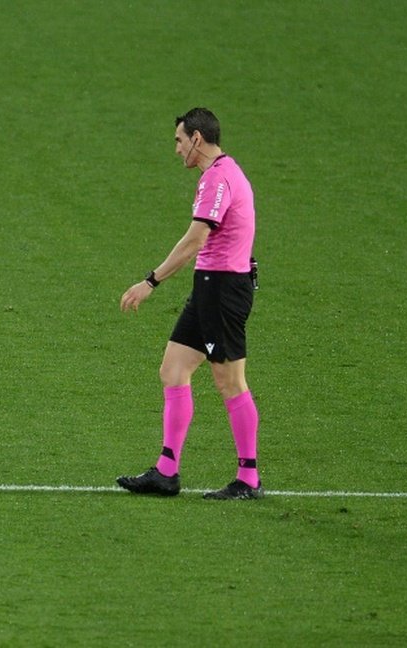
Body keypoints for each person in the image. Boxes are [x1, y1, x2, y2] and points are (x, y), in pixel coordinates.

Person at [116, 107, 263, 499]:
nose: (177, 149)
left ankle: (248, 477)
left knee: (229, 381)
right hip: (210, 286)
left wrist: (151, 281)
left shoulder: (218, 180)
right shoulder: (222, 174)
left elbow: (196, 240)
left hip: (223, 290)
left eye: (180, 141)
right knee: (174, 368)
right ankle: (166, 472)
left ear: (197, 138)